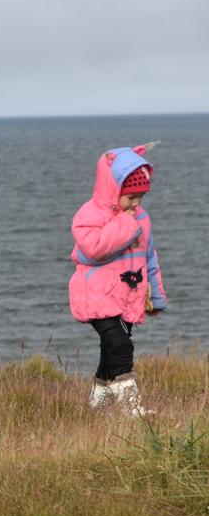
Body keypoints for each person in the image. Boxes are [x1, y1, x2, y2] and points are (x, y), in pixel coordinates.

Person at [69, 145, 166, 416]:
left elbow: (150, 259)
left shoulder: (141, 218)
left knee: (109, 352)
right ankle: (133, 409)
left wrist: (154, 296)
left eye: (141, 197)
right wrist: (124, 223)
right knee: (121, 346)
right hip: (96, 296)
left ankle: (96, 409)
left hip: (126, 297)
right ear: (113, 190)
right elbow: (94, 248)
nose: (136, 204)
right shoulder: (89, 216)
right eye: (131, 197)